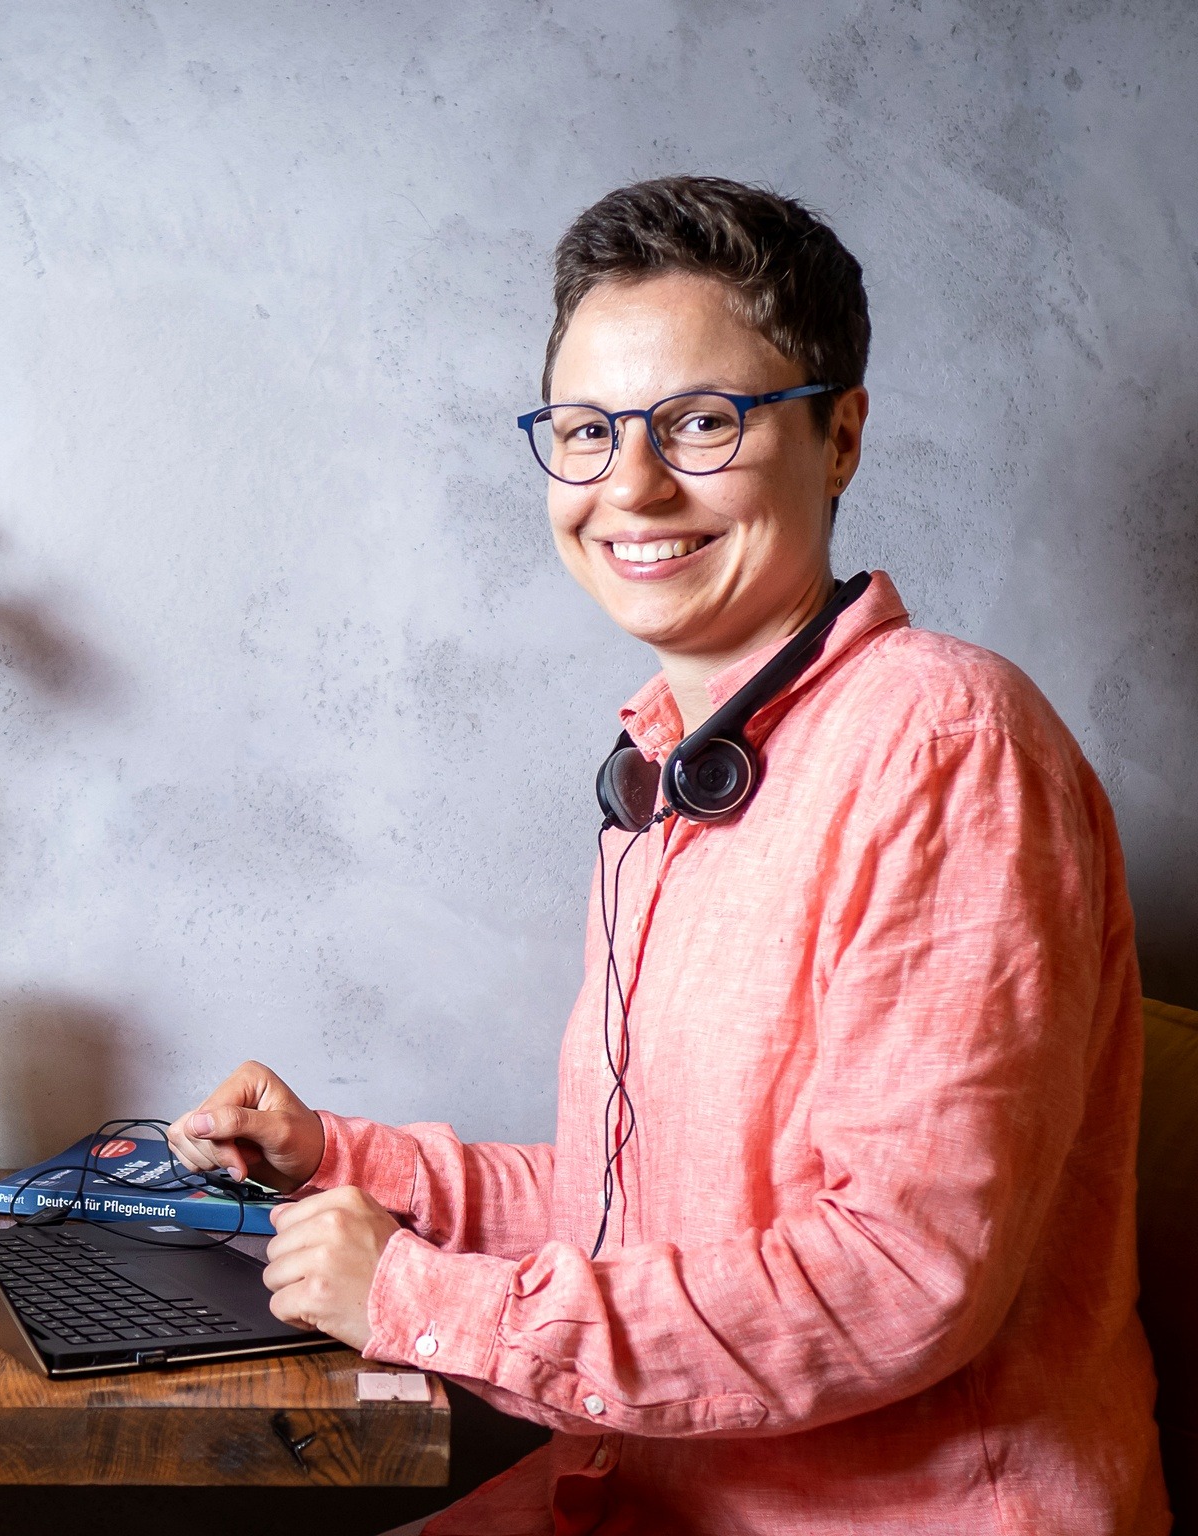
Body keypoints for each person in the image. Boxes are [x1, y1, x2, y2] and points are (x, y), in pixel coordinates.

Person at [168, 177, 1170, 1534]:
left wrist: (412, 1295)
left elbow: (899, 1277)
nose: (630, 486)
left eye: (701, 422)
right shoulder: (676, 763)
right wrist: (335, 1160)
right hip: (648, 1495)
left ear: (840, 437)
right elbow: (634, 1207)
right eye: (587, 432)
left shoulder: (947, 742)